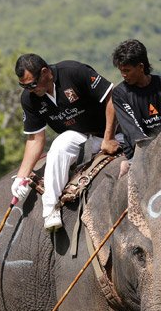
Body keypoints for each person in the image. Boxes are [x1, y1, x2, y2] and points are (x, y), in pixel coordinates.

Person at [11, 54, 118, 231]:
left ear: (45, 73)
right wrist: (22, 177)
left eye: (32, 84)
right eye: (23, 86)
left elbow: (111, 97)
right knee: (60, 144)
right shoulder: (29, 99)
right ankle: (50, 209)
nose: (29, 89)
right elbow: (35, 138)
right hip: (80, 138)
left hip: (111, 132)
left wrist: (109, 137)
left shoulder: (73, 72)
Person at [111, 39, 161, 160]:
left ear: (141, 67)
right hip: (137, 152)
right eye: (121, 71)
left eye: (127, 70)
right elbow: (133, 132)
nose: (123, 75)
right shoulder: (119, 93)